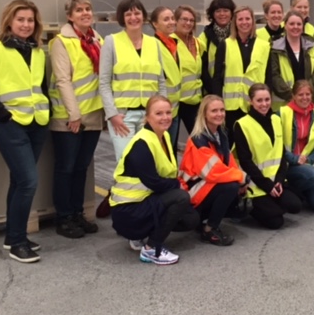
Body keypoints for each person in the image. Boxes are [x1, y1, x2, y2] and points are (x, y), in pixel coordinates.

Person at [0, 0, 50, 263]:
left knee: (20, 181)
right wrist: (2, 115)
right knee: (28, 181)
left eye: (30, 20)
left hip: (37, 122)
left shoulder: (38, 51)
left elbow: (41, 88)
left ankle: (12, 237)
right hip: (10, 123)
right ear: (9, 21)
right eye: (21, 20)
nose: (26, 25)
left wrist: (48, 113)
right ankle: (18, 242)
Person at [109, 95, 199, 265]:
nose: (165, 117)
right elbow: (154, 182)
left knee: (191, 219)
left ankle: (141, 235)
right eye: (158, 113)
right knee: (181, 198)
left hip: (143, 201)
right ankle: (151, 248)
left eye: (168, 113)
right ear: (147, 117)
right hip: (128, 211)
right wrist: (178, 185)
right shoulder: (142, 143)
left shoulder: (163, 136)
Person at [48, 0, 103, 239]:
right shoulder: (61, 42)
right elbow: (63, 80)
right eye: (79, 10)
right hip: (69, 117)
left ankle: (77, 213)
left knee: (81, 168)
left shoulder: (97, 40)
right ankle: (64, 217)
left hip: (93, 113)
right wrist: (74, 114)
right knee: (66, 168)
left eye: (88, 9)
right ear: (70, 16)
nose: (85, 13)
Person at [99, 0, 166, 162]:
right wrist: (112, 115)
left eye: (137, 13)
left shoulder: (154, 44)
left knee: (148, 161)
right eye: (128, 14)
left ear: (143, 16)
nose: (133, 18)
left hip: (149, 116)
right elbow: (104, 82)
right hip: (123, 117)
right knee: (126, 162)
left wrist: (162, 112)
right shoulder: (111, 42)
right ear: (122, 18)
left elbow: (161, 81)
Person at [180, 95, 247, 246]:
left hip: (203, 185)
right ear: (204, 114)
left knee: (234, 184)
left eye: (222, 110)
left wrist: (242, 180)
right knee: (230, 186)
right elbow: (213, 172)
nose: (219, 114)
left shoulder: (220, 133)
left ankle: (204, 220)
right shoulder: (198, 139)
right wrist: (242, 178)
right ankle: (209, 230)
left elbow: (229, 162)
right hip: (192, 190)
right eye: (214, 111)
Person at [233, 84, 302, 229]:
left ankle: (270, 205)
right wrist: (268, 186)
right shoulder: (242, 125)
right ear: (251, 101)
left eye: (267, 99)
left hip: (275, 181)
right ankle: (251, 207)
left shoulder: (276, 119)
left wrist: (279, 181)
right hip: (255, 184)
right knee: (276, 222)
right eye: (259, 100)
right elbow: (246, 162)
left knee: (295, 206)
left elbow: (281, 154)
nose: (264, 104)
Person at [212, 5, 271, 135]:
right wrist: (218, 104)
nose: (244, 22)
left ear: (253, 21)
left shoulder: (264, 46)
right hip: (230, 107)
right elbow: (217, 78)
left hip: (255, 105)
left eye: (247, 19)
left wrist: (265, 102)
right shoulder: (225, 44)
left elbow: (268, 77)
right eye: (240, 19)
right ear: (235, 22)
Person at [279, 81, 314, 214]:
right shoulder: (282, 113)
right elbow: (277, 145)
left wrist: (309, 159)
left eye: (308, 94)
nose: (304, 98)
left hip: (308, 163)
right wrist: (295, 159)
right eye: (300, 94)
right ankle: (292, 190)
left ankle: (300, 191)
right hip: (288, 164)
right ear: (293, 96)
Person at [269, 9, 314, 110]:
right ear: (285, 25)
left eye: (299, 24)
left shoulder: (313, 45)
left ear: (303, 26)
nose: (295, 27)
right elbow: (274, 76)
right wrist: (293, 96)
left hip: (310, 102)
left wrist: (306, 94)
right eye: (292, 24)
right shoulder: (274, 48)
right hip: (285, 103)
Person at [150, 6, 181, 147]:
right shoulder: (153, 45)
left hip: (174, 108)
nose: (172, 22)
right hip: (162, 110)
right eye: (166, 19)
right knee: (161, 149)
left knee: (170, 149)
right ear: (155, 24)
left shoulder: (173, 43)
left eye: (173, 18)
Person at [173, 5, 202, 136]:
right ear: (176, 20)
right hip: (176, 101)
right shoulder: (170, 42)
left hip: (194, 101)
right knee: (170, 142)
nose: (188, 23)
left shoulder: (197, 43)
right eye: (184, 19)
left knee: (199, 139)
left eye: (191, 20)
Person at [199, 0, 235, 95]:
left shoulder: (238, 35)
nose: (222, 14)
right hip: (211, 90)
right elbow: (202, 67)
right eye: (218, 11)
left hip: (234, 90)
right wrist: (213, 89)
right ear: (213, 14)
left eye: (225, 10)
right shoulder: (204, 37)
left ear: (232, 13)